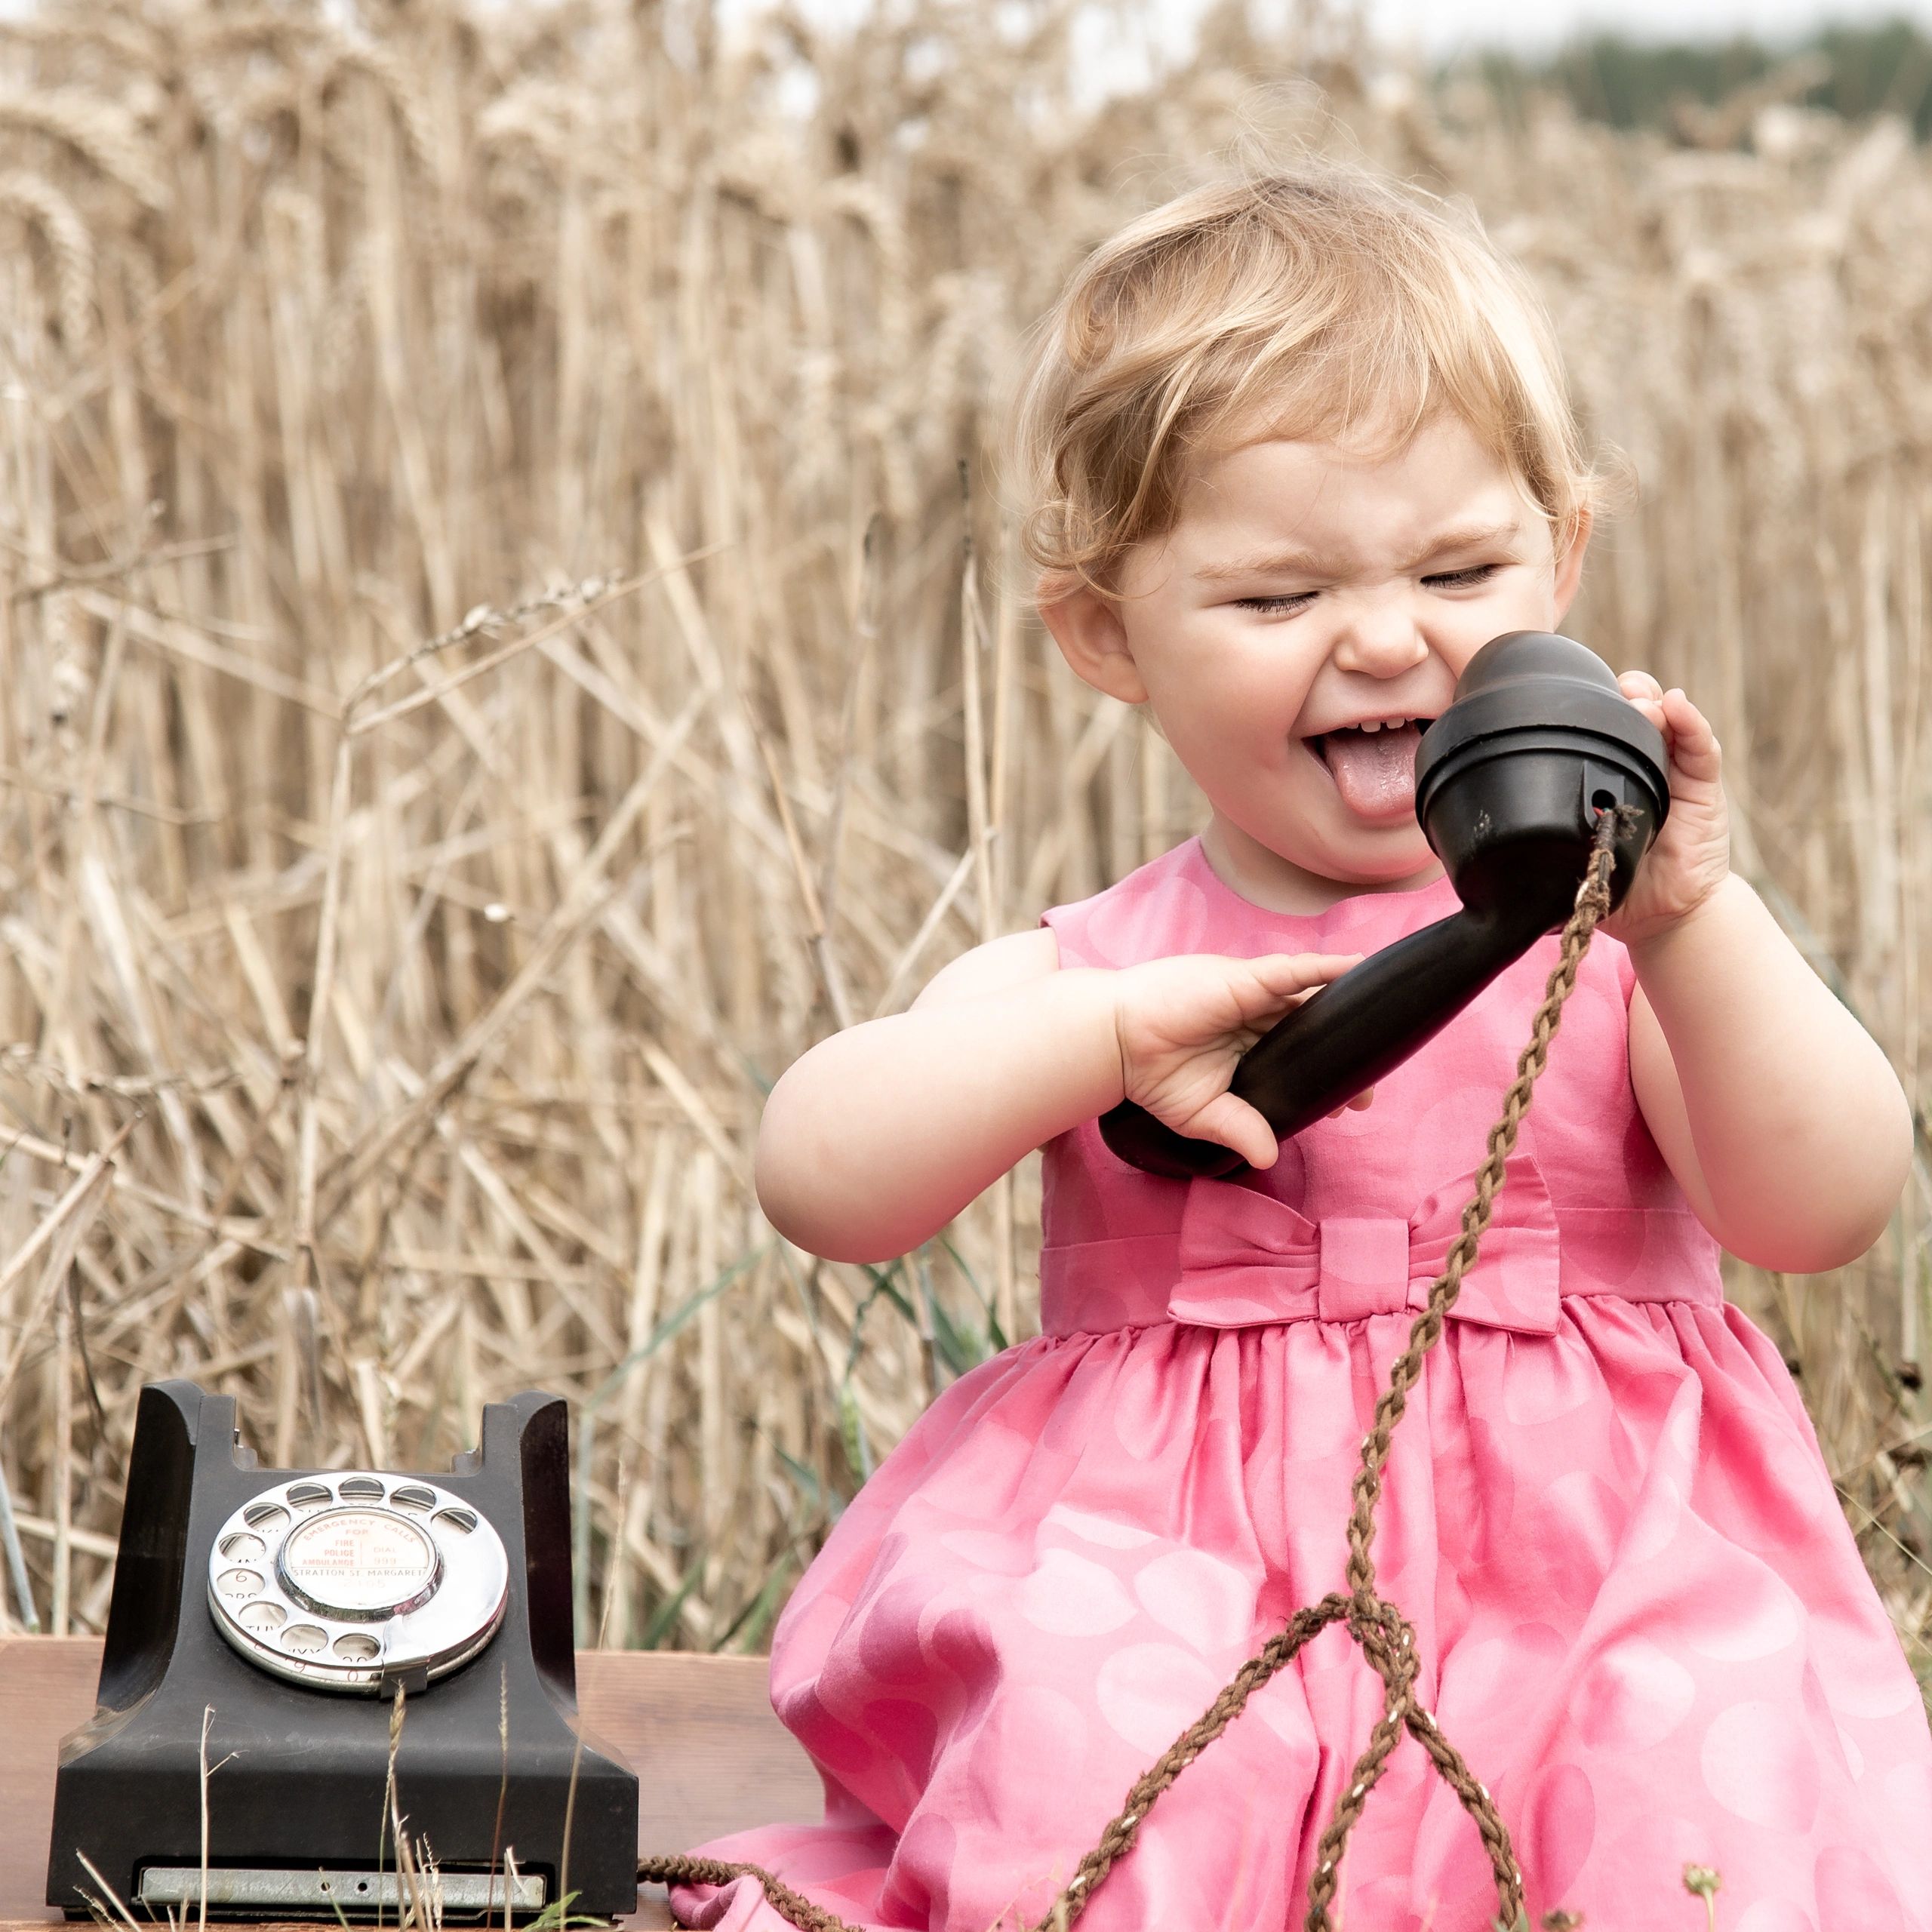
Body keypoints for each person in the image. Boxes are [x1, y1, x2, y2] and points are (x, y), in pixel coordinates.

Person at [670, 168, 1932, 1932]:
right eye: (1274, 598)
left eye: (1457, 567)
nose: (1384, 634)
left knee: (1686, 1772)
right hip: (1175, 1576)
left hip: (1594, 1568)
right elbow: (821, 1173)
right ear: (1108, 634)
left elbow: (1822, 1204)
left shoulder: (1623, 941)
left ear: (1559, 561)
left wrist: (1691, 920)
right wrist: (1093, 1039)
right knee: (1099, 1766)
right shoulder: (1088, 969)